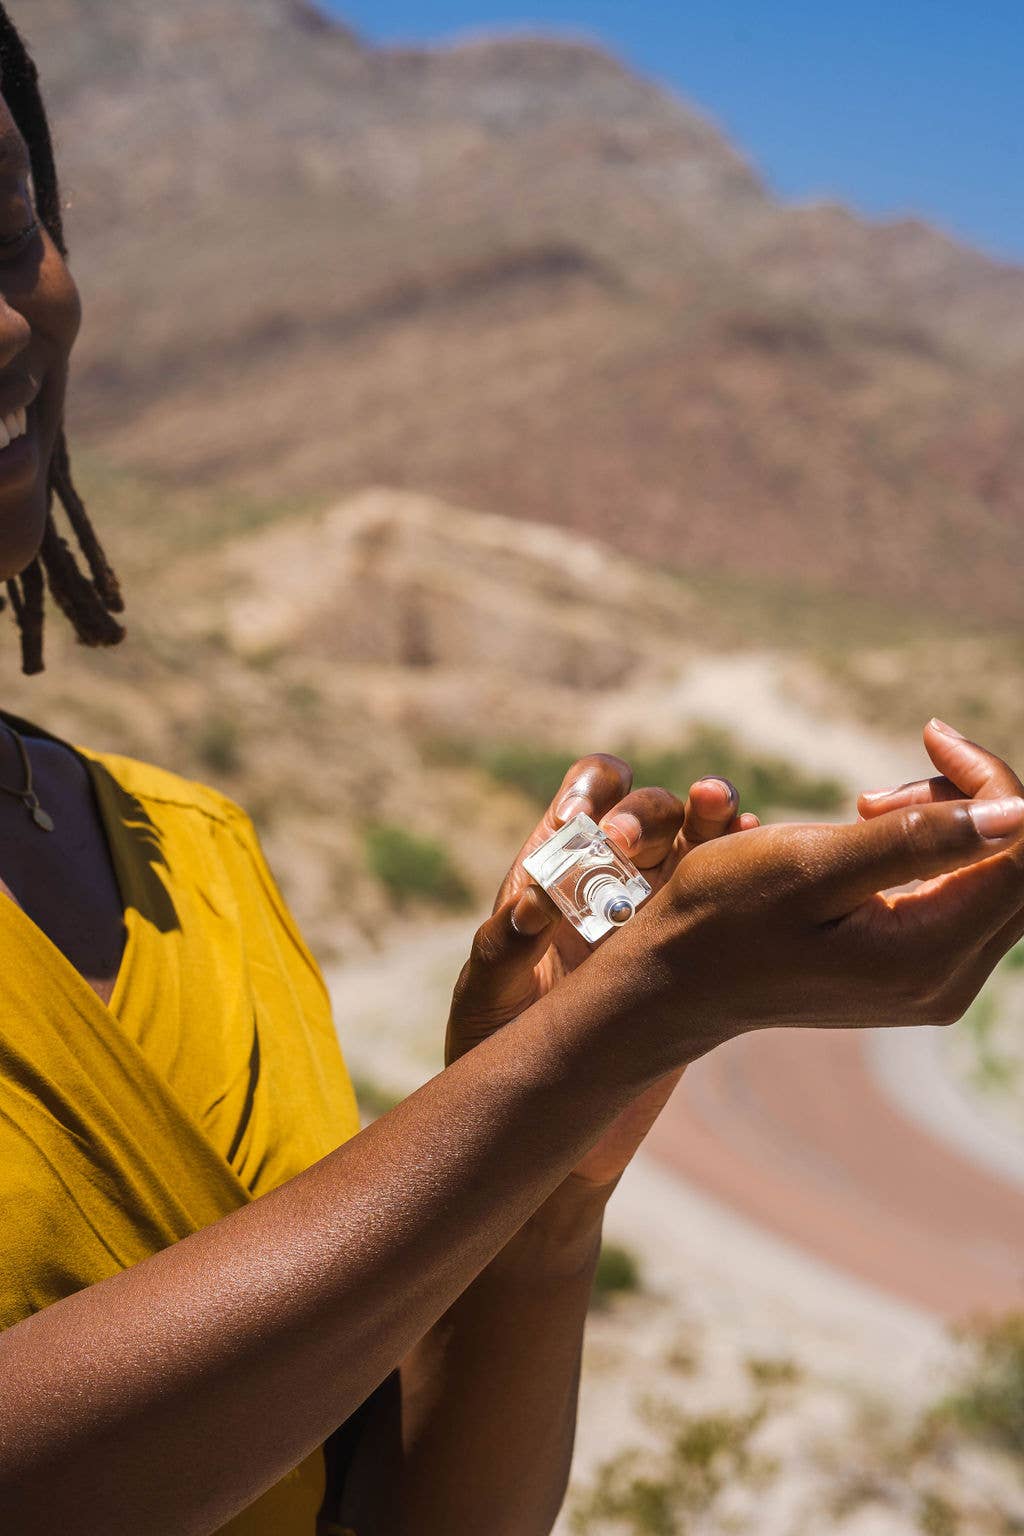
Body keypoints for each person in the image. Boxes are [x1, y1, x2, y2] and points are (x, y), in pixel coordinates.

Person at [0, 8, 1022, 1534]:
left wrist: (548, 1174)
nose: (9, 321)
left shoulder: (189, 857)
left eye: (9, 229)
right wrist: (620, 1027)